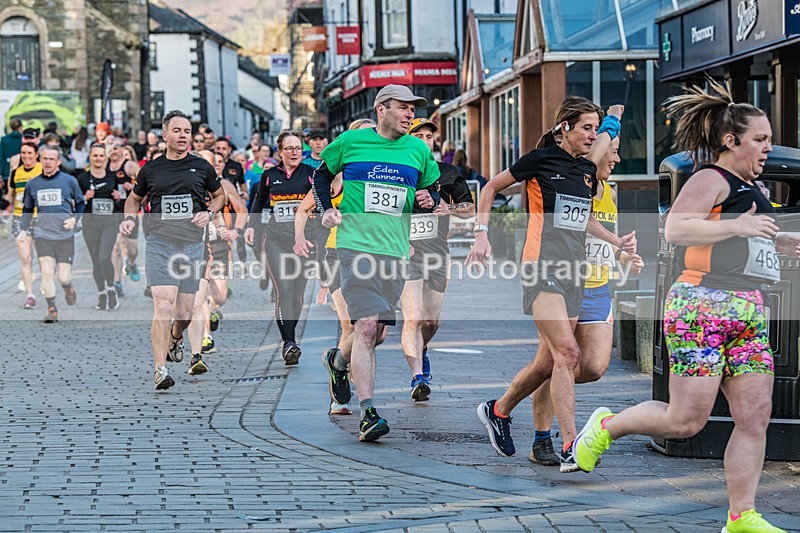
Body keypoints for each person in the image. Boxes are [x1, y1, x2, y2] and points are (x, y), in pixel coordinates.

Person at [574, 81, 800, 533]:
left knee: (755, 416)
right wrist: (739, 227)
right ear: (730, 141)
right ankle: (607, 425)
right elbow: (677, 229)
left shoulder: (750, 188)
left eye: (769, 139)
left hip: (749, 310)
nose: (767, 147)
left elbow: (745, 235)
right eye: (760, 139)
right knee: (686, 420)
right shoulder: (709, 178)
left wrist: (782, 241)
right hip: (700, 307)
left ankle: (742, 516)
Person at [469, 97, 635, 470]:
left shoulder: (586, 172)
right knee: (568, 354)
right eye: (586, 128)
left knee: (547, 364)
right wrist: (481, 233)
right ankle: (571, 442)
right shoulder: (540, 160)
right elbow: (491, 187)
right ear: (565, 128)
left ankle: (499, 410)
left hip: (574, 271)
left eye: (596, 129)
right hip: (539, 266)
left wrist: (615, 241)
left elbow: (581, 219)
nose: (593, 136)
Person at [313, 84, 441, 442]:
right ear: (382, 108)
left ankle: (338, 362)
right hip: (355, 247)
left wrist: (428, 201)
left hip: (396, 253)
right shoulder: (351, 143)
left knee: (378, 333)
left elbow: (428, 192)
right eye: (403, 108)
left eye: (412, 110)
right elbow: (320, 175)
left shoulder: (418, 150)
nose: (409, 115)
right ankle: (368, 412)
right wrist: (326, 209)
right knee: (367, 327)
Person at [529, 135, 644, 467]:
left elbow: (609, 243)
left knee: (593, 366)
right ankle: (542, 438)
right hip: (566, 285)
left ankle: (510, 405)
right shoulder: (576, 185)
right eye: (614, 152)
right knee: (557, 362)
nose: (618, 159)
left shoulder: (610, 192)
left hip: (599, 288)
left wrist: (627, 259)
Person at [119, 109, 225, 390]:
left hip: (192, 245)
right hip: (159, 244)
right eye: (176, 131)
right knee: (163, 303)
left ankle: (176, 339)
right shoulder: (151, 169)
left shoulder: (201, 166)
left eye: (187, 131)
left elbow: (219, 196)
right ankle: (160, 369)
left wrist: (210, 212)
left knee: (186, 313)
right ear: (165, 135)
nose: (183, 136)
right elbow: (133, 200)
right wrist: (129, 218)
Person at [294, 117, 378, 415]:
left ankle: (338, 362)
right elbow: (303, 209)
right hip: (336, 252)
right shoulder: (333, 178)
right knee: (351, 324)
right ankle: (340, 397)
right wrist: (299, 238)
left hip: (376, 253)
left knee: (376, 332)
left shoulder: (379, 176)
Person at [401, 117, 475, 401]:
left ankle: (421, 348)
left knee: (431, 321)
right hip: (406, 253)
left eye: (428, 137)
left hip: (437, 253)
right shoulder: (397, 172)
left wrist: (448, 207)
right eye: (417, 136)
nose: (424, 141)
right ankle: (417, 377)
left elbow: (469, 208)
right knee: (414, 318)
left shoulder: (447, 172)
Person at [244, 131, 316, 365]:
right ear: (280, 152)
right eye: (289, 148)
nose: (294, 152)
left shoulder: (311, 175)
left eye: (298, 148)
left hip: (303, 241)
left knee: (297, 296)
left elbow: (322, 201)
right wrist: (251, 226)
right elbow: (259, 201)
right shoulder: (269, 176)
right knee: (283, 291)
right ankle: (289, 343)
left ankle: (290, 338)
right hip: (275, 239)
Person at [186, 150, 248, 364]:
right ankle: (206, 337)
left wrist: (235, 232)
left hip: (220, 244)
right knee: (199, 297)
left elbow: (242, 210)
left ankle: (214, 309)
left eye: (214, 163)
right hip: (197, 246)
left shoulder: (224, 186)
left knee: (220, 296)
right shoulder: (188, 183)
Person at [18, 145, 85, 323]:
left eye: (51, 159)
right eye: (44, 158)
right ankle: (52, 309)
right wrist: (24, 230)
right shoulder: (33, 184)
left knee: (63, 276)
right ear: (40, 159)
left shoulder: (69, 181)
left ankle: (67, 287)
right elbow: (27, 208)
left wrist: (74, 220)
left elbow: (80, 204)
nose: (47, 162)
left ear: (58, 161)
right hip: (42, 234)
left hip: (64, 235)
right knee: (46, 273)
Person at [77, 143, 122, 310]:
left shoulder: (112, 176)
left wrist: (118, 198)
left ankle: (111, 289)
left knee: (105, 256)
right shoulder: (82, 179)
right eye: (95, 155)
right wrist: (84, 197)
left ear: (106, 157)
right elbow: (76, 202)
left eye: (101, 155)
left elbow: (120, 199)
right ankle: (101, 293)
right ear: (90, 157)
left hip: (109, 222)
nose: (98, 158)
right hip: (90, 223)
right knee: (96, 260)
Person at [5, 141, 41, 308]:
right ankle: (30, 295)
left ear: (36, 154)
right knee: (25, 257)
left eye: (29, 153)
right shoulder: (16, 173)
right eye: (23, 153)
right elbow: (10, 196)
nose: (26, 156)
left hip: (40, 219)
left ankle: (44, 281)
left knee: (42, 257)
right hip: (20, 219)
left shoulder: (42, 169)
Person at [107, 140, 141, 294]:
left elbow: (145, 185)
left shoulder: (130, 166)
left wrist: (132, 187)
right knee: (114, 247)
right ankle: (116, 282)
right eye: (110, 148)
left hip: (128, 211)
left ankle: (132, 262)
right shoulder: (104, 165)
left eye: (115, 148)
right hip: (111, 212)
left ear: (122, 149)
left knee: (131, 248)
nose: (113, 151)